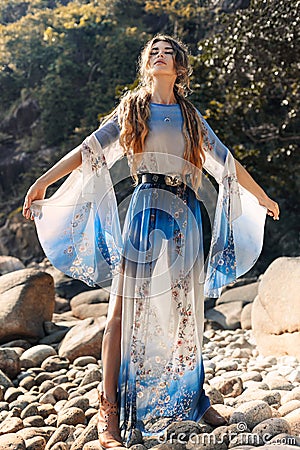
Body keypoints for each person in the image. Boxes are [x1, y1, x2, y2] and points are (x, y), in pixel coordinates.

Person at [23, 35, 280, 449]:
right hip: (145, 208)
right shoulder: (133, 110)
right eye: (153, 52)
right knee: (121, 313)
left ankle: (194, 400)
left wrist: (261, 197)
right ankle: (109, 416)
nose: (161, 56)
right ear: (147, 65)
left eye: (168, 52)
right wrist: (42, 182)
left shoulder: (191, 116)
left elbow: (226, 163)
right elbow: (89, 151)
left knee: (187, 314)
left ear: (179, 67)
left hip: (188, 215)